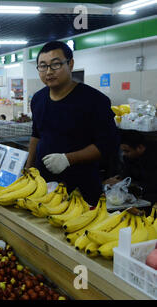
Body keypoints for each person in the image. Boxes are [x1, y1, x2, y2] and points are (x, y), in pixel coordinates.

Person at [25, 41, 119, 205]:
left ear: (71, 64)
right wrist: (28, 168)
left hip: (81, 190)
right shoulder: (38, 99)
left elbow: (108, 144)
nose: (49, 71)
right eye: (43, 66)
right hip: (42, 186)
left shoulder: (94, 101)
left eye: (55, 65)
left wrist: (68, 159)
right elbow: (36, 135)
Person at [104, 130, 157, 204]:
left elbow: (151, 185)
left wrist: (129, 185)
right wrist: (118, 181)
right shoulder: (129, 157)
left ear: (140, 147)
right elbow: (127, 174)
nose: (124, 154)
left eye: (127, 151)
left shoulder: (153, 158)